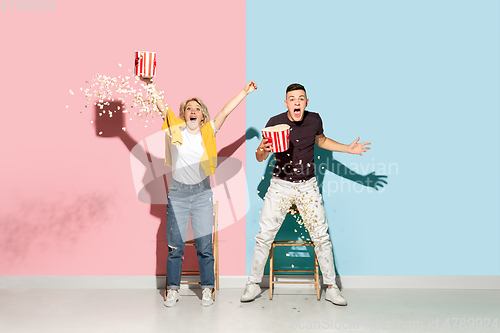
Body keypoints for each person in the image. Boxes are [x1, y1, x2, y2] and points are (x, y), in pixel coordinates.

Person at [241, 83, 370, 306]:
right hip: (280, 185)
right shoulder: (274, 123)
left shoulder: (315, 119)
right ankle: (253, 284)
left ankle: (331, 287)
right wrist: (262, 149)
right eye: (292, 99)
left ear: (306, 102)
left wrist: (348, 149)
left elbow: (321, 140)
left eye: (301, 98)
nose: (297, 102)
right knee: (264, 236)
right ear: (286, 103)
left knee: (321, 236)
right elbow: (260, 157)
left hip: (307, 186)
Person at [141, 77, 257, 307]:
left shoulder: (208, 131)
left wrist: (244, 92)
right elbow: (161, 106)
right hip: (178, 194)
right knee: (176, 247)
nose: (193, 111)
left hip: (203, 194)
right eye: (188, 109)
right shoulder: (175, 129)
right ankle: (172, 289)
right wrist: (150, 84)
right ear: (184, 114)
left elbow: (225, 111)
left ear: (202, 115)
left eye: (197, 108)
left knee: (204, 246)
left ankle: (207, 288)